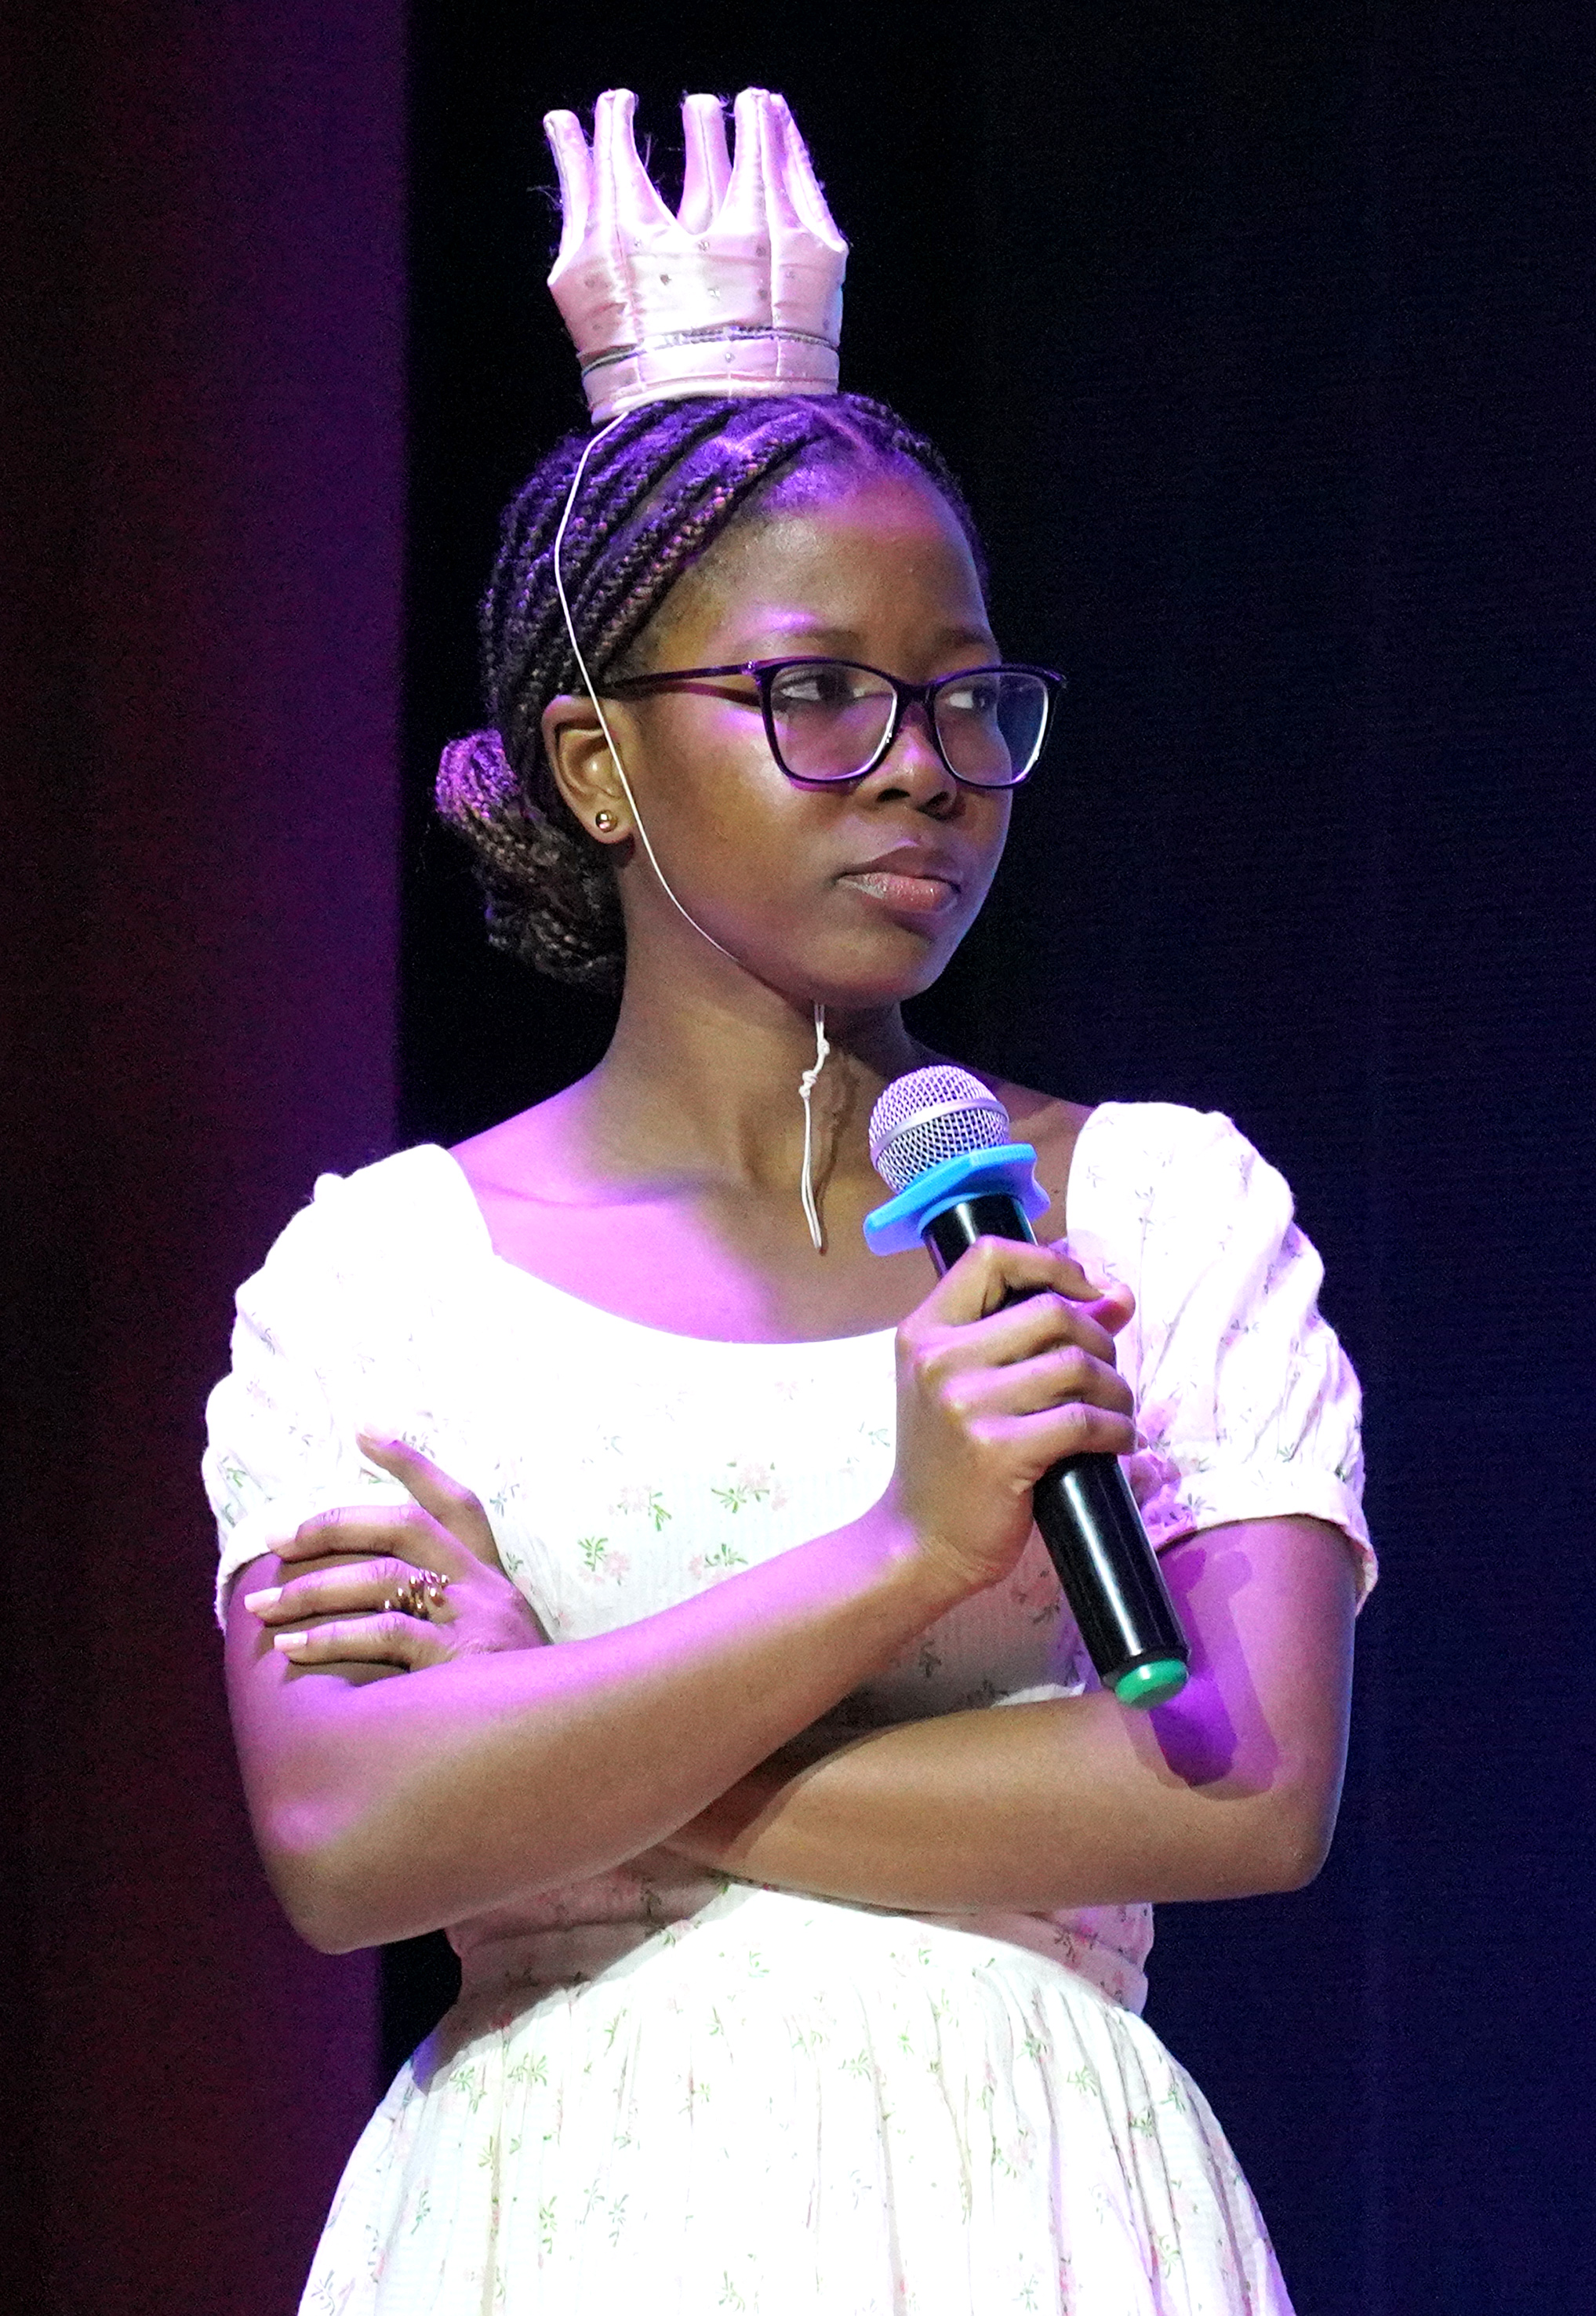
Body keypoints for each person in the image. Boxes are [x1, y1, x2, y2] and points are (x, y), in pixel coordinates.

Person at [205, 89, 1371, 2314]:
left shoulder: (1147, 1208)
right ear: (599, 761)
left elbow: (1242, 1784)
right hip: (554, 2214)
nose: (921, 765)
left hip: (1028, 2201)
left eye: (963, 699)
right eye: (816, 695)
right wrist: (907, 1553)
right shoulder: (383, 1279)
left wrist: (560, 1733)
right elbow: (349, 1838)